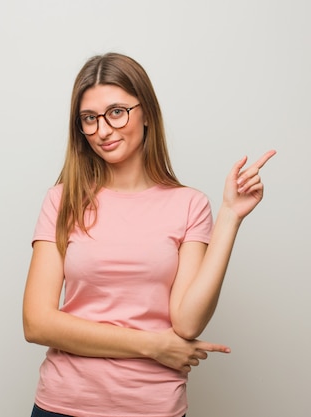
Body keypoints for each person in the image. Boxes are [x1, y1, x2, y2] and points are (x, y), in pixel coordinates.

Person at [23, 52, 276, 417]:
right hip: (64, 405)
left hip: (153, 408)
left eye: (116, 112)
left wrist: (230, 216)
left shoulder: (189, 205)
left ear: (146, 114)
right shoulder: (62, 200)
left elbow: (186, 322)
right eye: (89, 119)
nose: (103, 130)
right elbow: (36, 322)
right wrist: (152, 345)